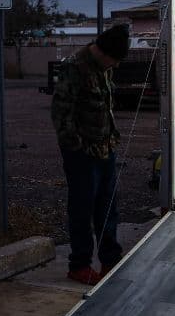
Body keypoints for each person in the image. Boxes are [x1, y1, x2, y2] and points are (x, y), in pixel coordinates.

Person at [51, 23, 129, 286]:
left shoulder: (103, 69)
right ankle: (80, 265)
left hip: (106, 148)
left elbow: (105, 107)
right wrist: (77, 147)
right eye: (115, 60)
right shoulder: (75, 68)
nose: (116, 66)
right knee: (83, 210)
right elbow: (61, 114)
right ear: (104, 52)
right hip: (82, 154)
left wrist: (110, 139)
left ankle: (110, 259)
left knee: (108, 208)